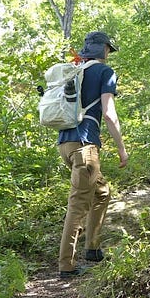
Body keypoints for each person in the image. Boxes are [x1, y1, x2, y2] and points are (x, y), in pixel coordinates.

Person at [57, 31, 129, 279]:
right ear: (105, 50)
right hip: (85, 146)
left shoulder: (74, 70)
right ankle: (66, 265)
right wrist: (121, 148)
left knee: (101, 192)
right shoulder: (104, 73)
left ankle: (93, 249)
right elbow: (109, 113)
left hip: (65, 145)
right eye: (108, 50)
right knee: (78, 203)